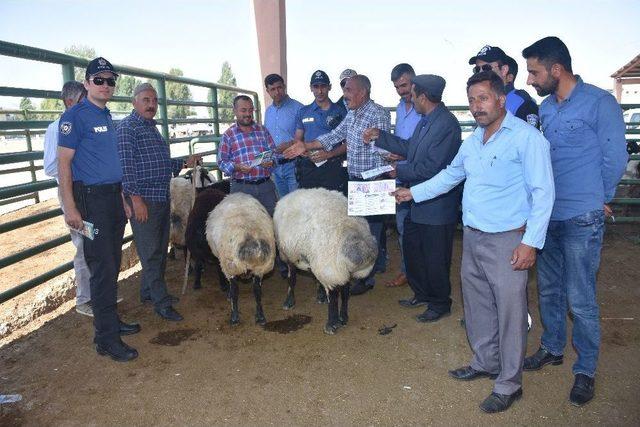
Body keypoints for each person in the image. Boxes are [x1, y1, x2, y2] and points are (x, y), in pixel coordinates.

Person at [393, 71, 554, 413]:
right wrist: (412, 193)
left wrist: (530, 243)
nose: (476, 107)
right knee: (478, 305)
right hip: (473, 236)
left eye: (482, 98)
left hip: (509, 239)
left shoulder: (527, 139)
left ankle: (509, 383)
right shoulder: (473, 141)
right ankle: (485, 362)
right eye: (471, 100)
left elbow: (543, 193)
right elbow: (452, 176)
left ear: (500, 99)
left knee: (510, 313)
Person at [522, 36, 628, 407]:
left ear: (556, 69)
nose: (530, 80)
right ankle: (552, 347)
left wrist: (600, 199)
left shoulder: (600, 102)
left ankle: (586, 368)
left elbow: (615, 158)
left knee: (581, 298)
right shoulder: (548, 109)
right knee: (549, 289)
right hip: (549, 214)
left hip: (583, 216)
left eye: (534, 72)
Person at [57, 57, 140, 362]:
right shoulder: (76, 117)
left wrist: (121, 197)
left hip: (110, 198)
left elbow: (110, 164)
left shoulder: (106, 116)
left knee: (111, 262)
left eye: (111, 81)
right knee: (102, 268)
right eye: (100, 80)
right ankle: (106, 338)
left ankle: (110, 322)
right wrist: (70, 207)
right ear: (87, 83)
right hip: (90, 200)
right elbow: (64, 165)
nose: (106, 86)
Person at [363, 74, 461, 322]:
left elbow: (433, 167)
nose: (410, 98)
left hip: (436, 207)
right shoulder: (426, 121)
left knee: (435, 257)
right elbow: (410, 148)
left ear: (423, 97)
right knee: (414, 251)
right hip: (416, 202)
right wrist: (380, 136)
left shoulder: (447, 124)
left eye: (413, 94)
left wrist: (398, 171)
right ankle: (422, 293)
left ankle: (439, 303)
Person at [284, 74, 391, 295]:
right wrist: (306, 145)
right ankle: (362, 269)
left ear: (362, 92)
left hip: (374, 180)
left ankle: (367, 278)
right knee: (361, 228)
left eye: (349, 90)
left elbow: (382, 149)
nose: (345, 95)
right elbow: (334, 135)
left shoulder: (378, 113)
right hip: (356, 179)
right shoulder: (352, 113)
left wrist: (381, 178)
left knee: (373, 229)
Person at [117, 83, 201, 322]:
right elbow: (126, 168)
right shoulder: (127, 129)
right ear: (134, 102)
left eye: (154, 101)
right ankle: (161, 303)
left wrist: (185, 162)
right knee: (151, 252)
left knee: (158, 249)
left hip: (161, 196)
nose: (151, 105)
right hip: (144, 200)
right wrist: (135, 199)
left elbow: (161, 164)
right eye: (146, 100)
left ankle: (148, 293)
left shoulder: (151, 128)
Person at [43, 81, 93, 316]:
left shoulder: (84, 125)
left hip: (88, 192)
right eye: (84, 100)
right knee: (82, 245)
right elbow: (52, 167)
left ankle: (97, 293)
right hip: (71, 193)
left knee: (95, 242)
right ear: (70, 102)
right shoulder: (56, 129)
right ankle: (84, 299)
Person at [387, 63, 422, 288]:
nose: (401, 91)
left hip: (421, 177)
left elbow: (425, 147)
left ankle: (421, 273)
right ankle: (406, 271)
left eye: (404, 85)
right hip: (401, 177)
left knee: (421, 228)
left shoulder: (424, 107)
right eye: (397, 87)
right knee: (402, 226)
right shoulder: (400, 108)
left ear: (413, 81)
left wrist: (401, 156)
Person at [218, 95, 278, 215]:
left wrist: (271, 163)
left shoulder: (263, 131)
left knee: (272, 223)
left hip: (265, 187)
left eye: (250, 110)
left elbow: (275, 155)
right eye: (243, 110)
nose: (248, 114)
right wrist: (237, 167)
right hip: (241, 188)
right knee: (241, 227)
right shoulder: (228, 135)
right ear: (234, 111)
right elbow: (221, 162)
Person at [291, 70, 348, 193]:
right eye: (316, 87)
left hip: (332, 166)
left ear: (330, 87)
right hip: (308, 166)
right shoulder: (303, 112)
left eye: (323, 86)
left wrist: (330, 154)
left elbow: (349, 144)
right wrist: (303, 152)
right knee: (308, 204)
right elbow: (298, 139)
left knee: (332, 205)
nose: (320, 91)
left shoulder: (341, 112)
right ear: (311, 88)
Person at [469, 45, 539, 127]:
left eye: (486, 68)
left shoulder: (522, 103)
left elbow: (529, 137)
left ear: (504, 70)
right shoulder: (479, 103)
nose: (480, 73)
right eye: (477, 69)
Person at [263, 74, 303, 198]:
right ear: (267, 91)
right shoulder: (268, 111)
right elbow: (266, 139)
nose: (277, 92)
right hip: (275, 167)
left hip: (294, 165)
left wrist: (290, 144)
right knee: (282, 206)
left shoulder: (299, 108)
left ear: (284, 87)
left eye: (279, 87)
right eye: (272, 89)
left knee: (296, 206)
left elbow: (306, 137)